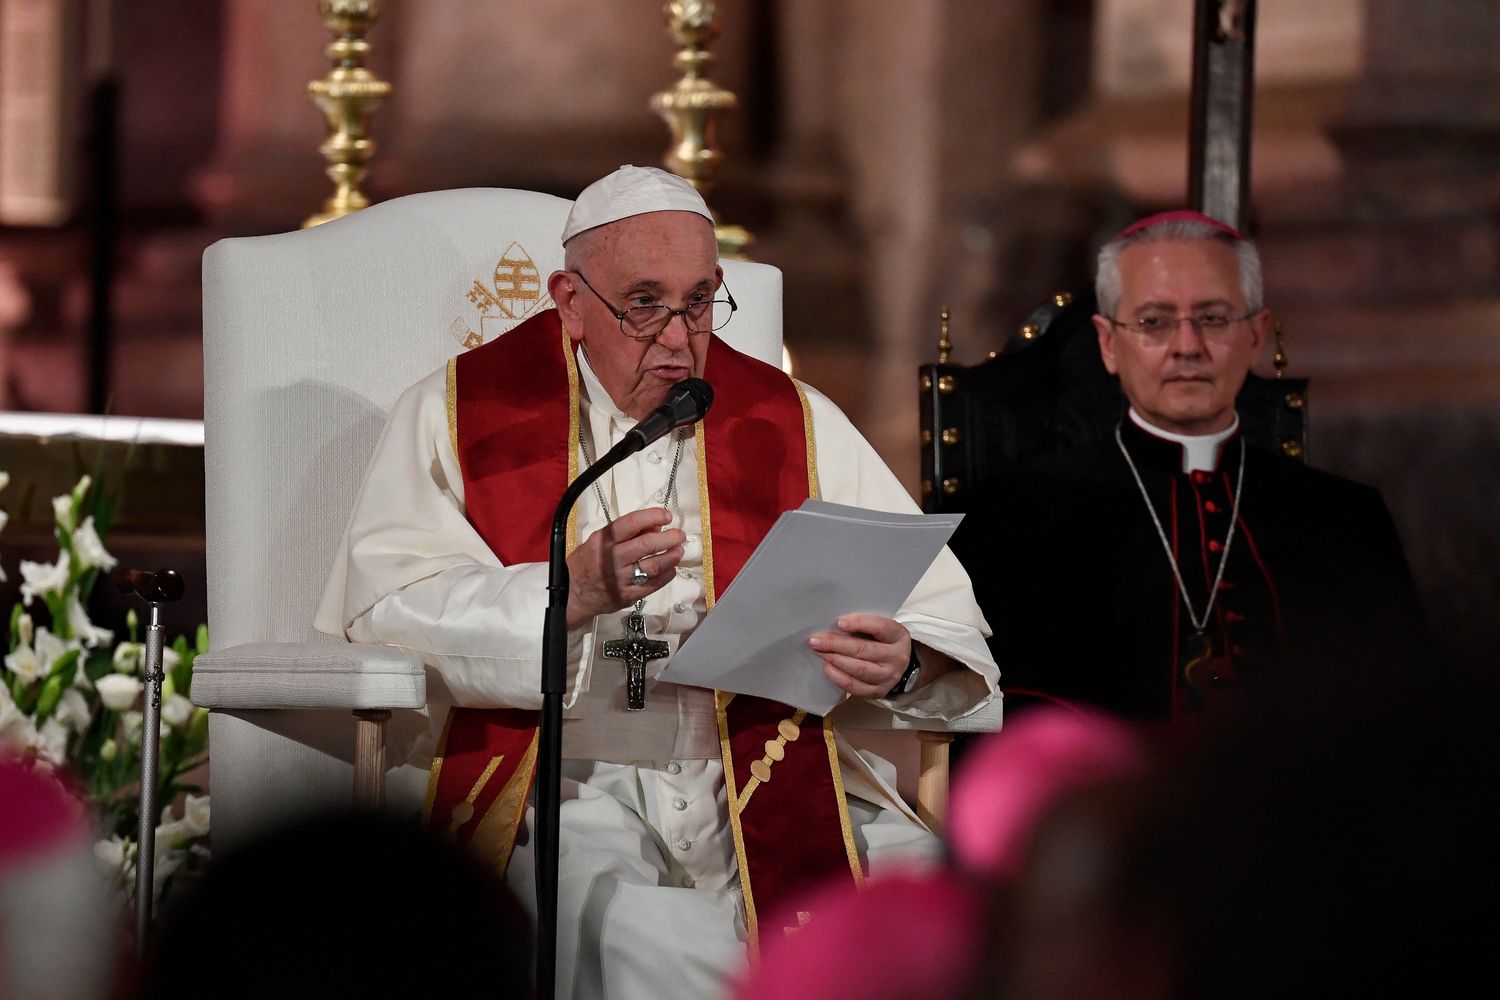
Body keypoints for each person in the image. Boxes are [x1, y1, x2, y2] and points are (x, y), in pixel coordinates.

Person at [315, 165, 998, 999]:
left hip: (758, 764)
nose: (679, 338)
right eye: (644, 303)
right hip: (564, 777)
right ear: (569, 301)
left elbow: (937, 613)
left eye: (700, 302)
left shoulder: (793, 417)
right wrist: (568, 594)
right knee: (640, 938)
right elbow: (386, 608)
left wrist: (904, 662)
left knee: (942, 912)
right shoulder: (459, 415)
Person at [952, 210, 1425, 723]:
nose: (1187, 346)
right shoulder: (1020, 514)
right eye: (1153, 322)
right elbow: (1004, 717)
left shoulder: (1346, 519)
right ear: (1109, 344)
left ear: (1255, 337)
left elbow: (1405, 713)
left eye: (1214, 318)